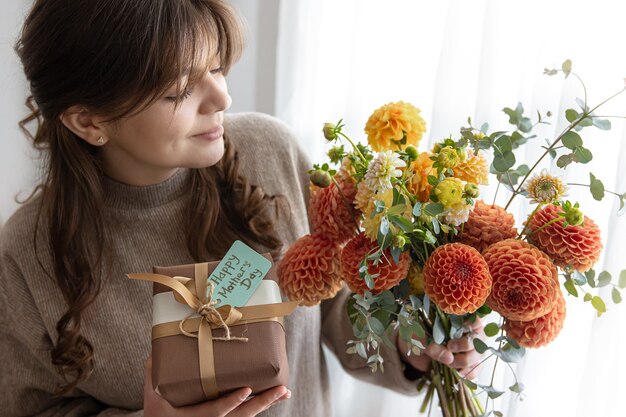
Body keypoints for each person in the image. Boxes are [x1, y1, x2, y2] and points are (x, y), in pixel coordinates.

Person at [0, 1, 482, 416]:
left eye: (216, 67)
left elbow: (340, 305)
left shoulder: (270, 152)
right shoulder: (28, 256)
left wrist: (410, 345)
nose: (222, 98)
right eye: (179, 89)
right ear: (88, 121)